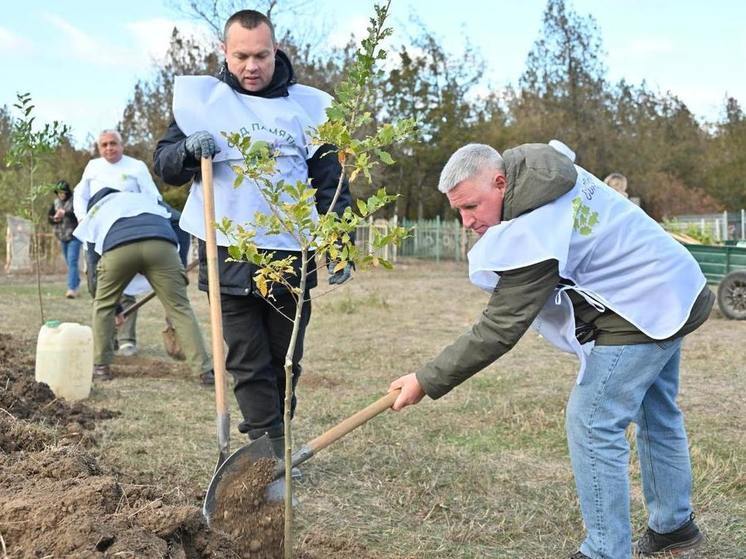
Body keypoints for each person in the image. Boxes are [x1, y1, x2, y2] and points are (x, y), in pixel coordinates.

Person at [388, 143, 713, 559]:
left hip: (644, 307)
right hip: (675, 286)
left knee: (593, 421)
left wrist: (425, 379)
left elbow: (500, 328)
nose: (467, 221)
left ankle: (605, 551)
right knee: (656, 411)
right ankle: (673, 528)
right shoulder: (542, 173)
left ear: (500, 182)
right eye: (459, 211)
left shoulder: (535, 225)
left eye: (472, 206)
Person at [153, 9, 353, 462]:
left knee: (285, 359)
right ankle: (267, 454)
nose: (251, 66)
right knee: (247, 356)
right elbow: (164, 164)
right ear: (225, 52)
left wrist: (339, 244)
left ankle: (274, 438)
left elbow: (331, 182)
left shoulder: (310, 106)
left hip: (290, 251)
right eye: (241, 56)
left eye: (261, 55)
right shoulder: (202, 101)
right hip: (227, 247)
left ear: (275, 50)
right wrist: (185, 149)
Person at [73, 188, 213, 384]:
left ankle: (100, 367)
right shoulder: (145, 198)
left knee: (102, 306)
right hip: (162, 245)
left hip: (119, 248)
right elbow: (180, 221)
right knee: (180, 308)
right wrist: (178, 266)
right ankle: (203, 371)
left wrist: (113, 307)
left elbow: (93, 262)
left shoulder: (95, 212)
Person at [74, 129, 164, 356]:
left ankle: (126, 340)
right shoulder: (93, 168)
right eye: (103, 145)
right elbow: (80, 194)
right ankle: (107, 340)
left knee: (124, 284)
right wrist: (83, 218)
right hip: (97, 233)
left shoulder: (136, 167)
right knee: (97, 287)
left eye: (113, 143)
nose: (109, 148)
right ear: (98, 148)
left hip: (126, 232)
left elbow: (152, 195)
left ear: (122, 145)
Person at [47, 180, 81, 298]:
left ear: (67, 192)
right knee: (69, 262)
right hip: (62, 236)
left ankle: (72, 289)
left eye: (63, 192)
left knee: (72, 261)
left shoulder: (75, 201)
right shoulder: (56, 203)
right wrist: (55, 219)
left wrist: (65, 213)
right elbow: (49, 218)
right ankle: (76, 281)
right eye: (59, 193)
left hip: (74, 236)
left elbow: (78, 216)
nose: (61, 195)